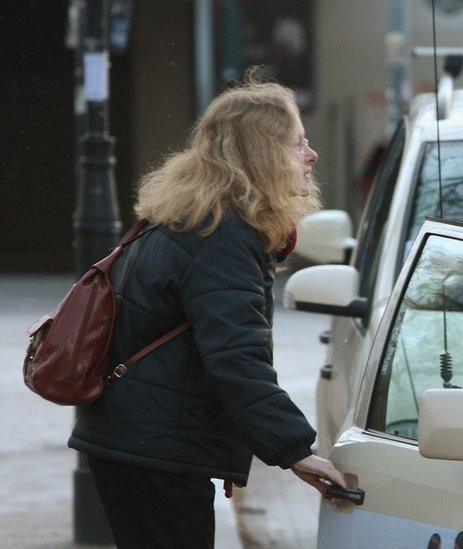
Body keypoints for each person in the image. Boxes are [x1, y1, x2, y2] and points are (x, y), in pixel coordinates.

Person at [68, 73, 347, 548]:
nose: (311, 155)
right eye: (299, 143)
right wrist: (295, 451)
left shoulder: (190, 219)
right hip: (153, 453)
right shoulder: (223, 237)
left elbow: (191, 349)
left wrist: (221, 451)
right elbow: (235, 355)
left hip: (139, 444)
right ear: (263, 155)